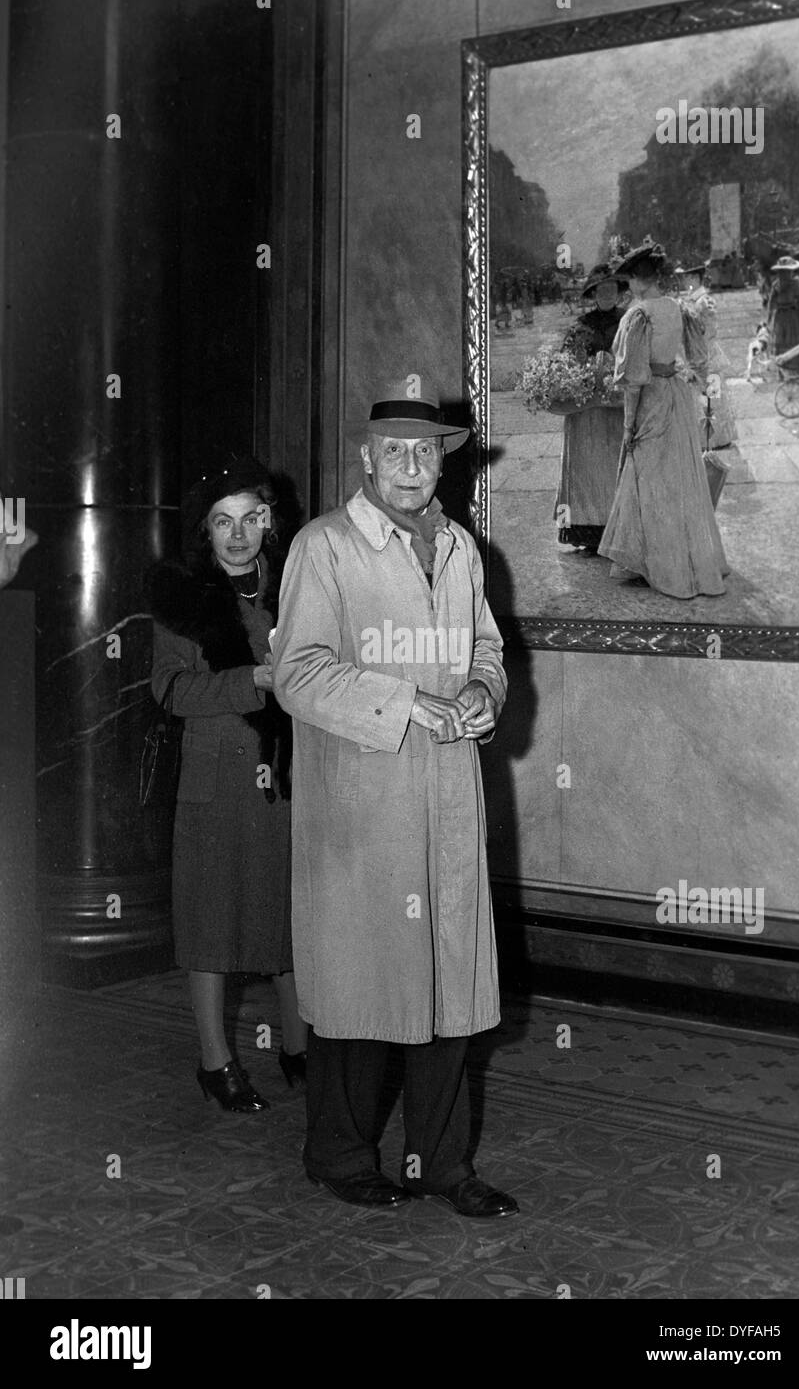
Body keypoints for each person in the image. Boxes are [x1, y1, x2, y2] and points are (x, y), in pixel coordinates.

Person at [270, 378, 518, 1218]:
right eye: (394, 452)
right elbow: (298, 672)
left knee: (449, 992)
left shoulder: (458, 548)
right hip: (361, 803)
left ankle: (441, 1164)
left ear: (442, 463)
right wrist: (405, 704)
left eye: (426, 452)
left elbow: (487, 645)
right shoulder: (325, 546)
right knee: (363, 989)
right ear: (365, 459)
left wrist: (485, 692)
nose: (411, 466)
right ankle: (339, 1155)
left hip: (447, 795)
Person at [147, 458, 308, 1112]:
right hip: (215, 784)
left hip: (286, 782)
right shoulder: (182, 598)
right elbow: (171, 690)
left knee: (287, 918)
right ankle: (215, 1062)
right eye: (222, 522)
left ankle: (299, 1048)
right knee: (211, 922)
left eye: (249, 519)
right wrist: (253, 682)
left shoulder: (298, 584)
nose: (237, 535)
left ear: (266, 522)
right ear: (205, 531)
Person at [598, 242, 729, 599]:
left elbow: (633, 379)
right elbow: (697, 357)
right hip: (676, 394)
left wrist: (628, 426)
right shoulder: (677, 307)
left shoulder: (638, 315)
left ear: (638, 281)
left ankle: (661, 565)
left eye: (629, 279)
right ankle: (685, 560)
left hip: (652, 399)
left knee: (652, 482)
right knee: (679, 482)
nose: (628, 286)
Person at [555, 262, 628, 552]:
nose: (608, 294)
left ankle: (618, 533)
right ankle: (588, 533)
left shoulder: (628, 320)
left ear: (619, 292)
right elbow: (566, 364)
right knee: (587, 469)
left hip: (616, 407)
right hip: (587, 409)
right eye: (602, 289)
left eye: (612, 288)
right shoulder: (581, 326)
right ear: (594, 293)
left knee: (613, 468)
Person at [675, 261, 737, 451]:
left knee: (713, 397)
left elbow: (708, 329)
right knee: (704, 399)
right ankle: (709, 439)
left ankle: (716, 440)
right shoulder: (692, 300)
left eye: (685, 277)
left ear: (694, 278)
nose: (683, 281)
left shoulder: (704, 300)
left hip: (708, 356)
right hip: (697, 354)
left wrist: (687, 311)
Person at [766, 256, 799, 356]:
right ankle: (790, 356)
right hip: (788, 315)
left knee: (784, 335)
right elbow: (771, 302)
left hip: (784, 314)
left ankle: (787, 356)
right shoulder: (784, 285)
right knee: (788, 335)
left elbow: (771, 303)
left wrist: (769, 317)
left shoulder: (781, 284)